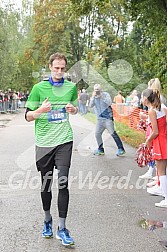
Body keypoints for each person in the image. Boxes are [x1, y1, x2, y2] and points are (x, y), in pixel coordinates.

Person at [25, 52, 78, 245]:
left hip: (64, 141)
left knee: (63, 183)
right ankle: (47, 219)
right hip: (44, 144)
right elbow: (28, 116)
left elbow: (75, 107)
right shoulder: (38, 88)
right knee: (46, 184)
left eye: (63, 68)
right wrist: (40, 111)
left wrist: (74, 109)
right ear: (50, 67)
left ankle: (62, 228)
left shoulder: (71, 87)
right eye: (56, 68)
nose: (59, 71)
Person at [142, 88, 167, 208]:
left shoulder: (152, 111)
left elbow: (155, 131)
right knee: (162, 171)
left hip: (160, 142)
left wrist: (148, 141)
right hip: (164, 139)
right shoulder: (160, 108)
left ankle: (166, 198)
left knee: (161, 171)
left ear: (146, 99)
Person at [89, 84, 125, 156]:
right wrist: (93, 96)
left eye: (98, 90)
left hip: (107, 118)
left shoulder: (106, 95)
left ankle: (121, 149)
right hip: (99, 119)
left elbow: (109, 103)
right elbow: (90, 105)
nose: (97, 91)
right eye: (96, 90)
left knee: (113, 133)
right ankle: (100, 149)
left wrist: (101, 96)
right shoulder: (94, 97)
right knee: (97, 134)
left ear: (101, 89)